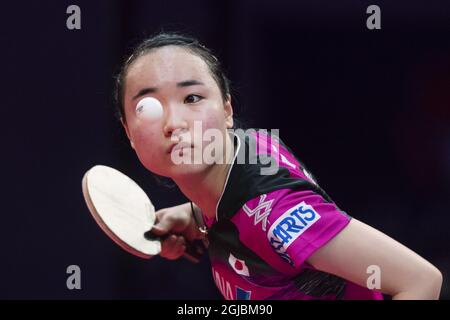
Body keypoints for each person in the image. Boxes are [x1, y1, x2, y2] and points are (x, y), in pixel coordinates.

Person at [114, 32, 442, 300]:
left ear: (227, 110)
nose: (174, 123)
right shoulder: (248, 148)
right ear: (128, 131)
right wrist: (194, 214)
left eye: (192, 98)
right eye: (148, 107)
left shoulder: (277, 215)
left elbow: (421, 282)